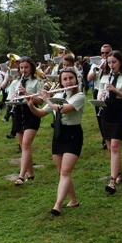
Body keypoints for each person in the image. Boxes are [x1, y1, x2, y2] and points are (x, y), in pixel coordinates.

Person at [27, 68, 85, 216]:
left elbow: (63, 109)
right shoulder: (59, 95)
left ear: (76, 80)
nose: (68, 81)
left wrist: (46, 99)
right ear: (61, 81)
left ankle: (57, 205)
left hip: (73, 135)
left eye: (71, 78)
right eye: (65, 79)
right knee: (62, 171)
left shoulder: (79, 96)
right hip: (59, 135)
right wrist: (31, 105)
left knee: (65, 171)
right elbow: (41, 114)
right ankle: (73, 200)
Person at [99, 51, 122, 193]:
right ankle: (119, 173)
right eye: (109, 63)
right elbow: (100, 94)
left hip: (120, 111)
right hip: (107, 112)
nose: (111, 65)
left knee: (115, 146)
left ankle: (112, 181)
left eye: (114, 62)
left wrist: (116, 90)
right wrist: (102, 95)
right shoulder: (104, 77)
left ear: (120, 62)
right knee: (110, 147)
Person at [6, 57, 44, 185]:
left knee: (26, 144)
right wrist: (14, 97)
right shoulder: (14, 83)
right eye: (21, 68)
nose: (23, 70)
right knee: (24, 146)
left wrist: (27, 93)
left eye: (26, 67)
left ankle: (21, 176)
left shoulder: (36, 82)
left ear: (31, 68)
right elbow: (9, 100)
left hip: (31, 112)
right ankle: (31, 173)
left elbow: (41, 101)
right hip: (17, 112)